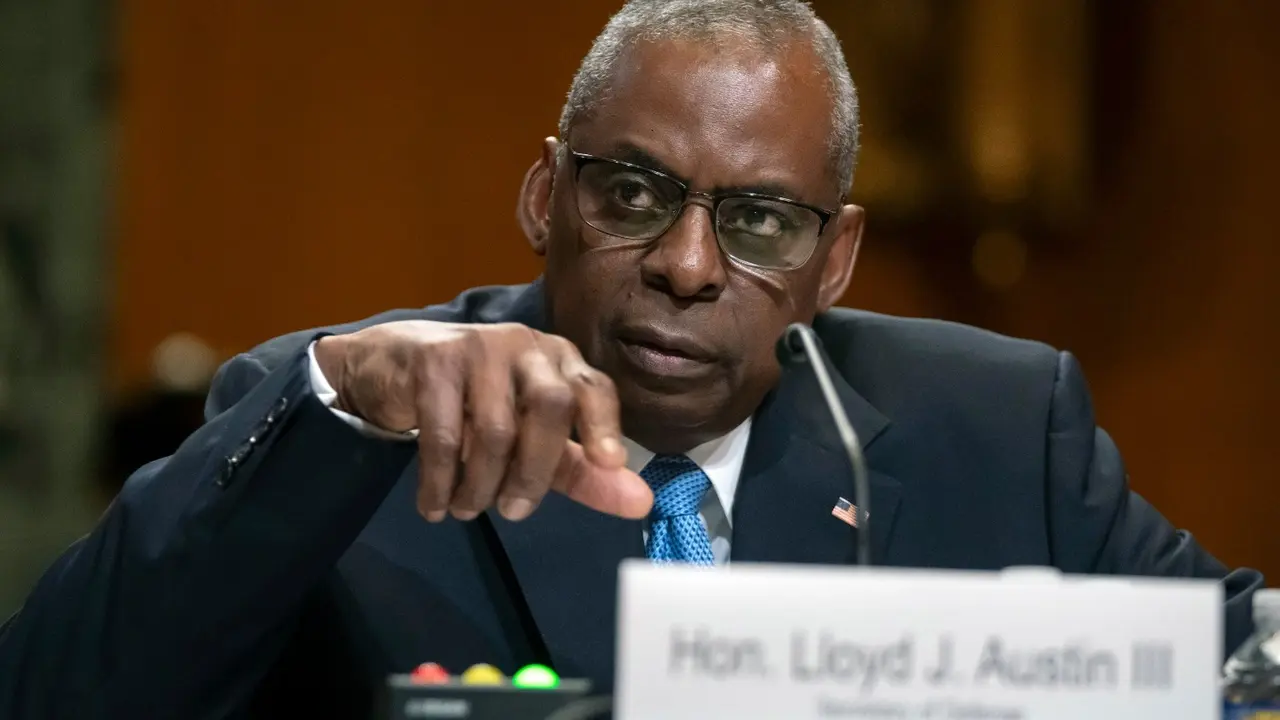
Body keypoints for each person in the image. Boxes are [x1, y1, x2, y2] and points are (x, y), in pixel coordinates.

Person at [0, 0, 1263, 717]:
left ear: (835, 261)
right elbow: (60, 695)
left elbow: (1237, 667)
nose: (689, 265)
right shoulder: (354, 428)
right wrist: (340, 404)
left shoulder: (997, 430)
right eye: (635, 194)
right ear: (546, 196)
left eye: (762, 221)